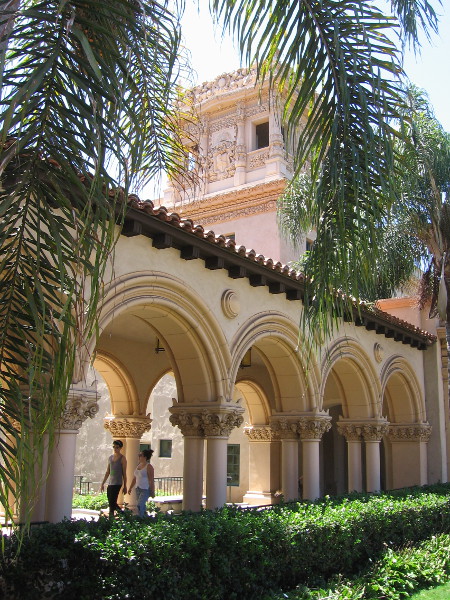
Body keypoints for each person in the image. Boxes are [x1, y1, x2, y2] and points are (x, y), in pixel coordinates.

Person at [100, 439, 127, 517]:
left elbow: (124, 473)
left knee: (112, 501)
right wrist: (103, 483)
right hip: (111, 482)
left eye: (117, 447)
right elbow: (108, 471)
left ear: (120, 448)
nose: (115, 449)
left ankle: (111, 518)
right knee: (111, 502)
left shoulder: (122, 458)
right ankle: (123, 514)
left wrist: (125, 486)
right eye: (114, 447)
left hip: (117, 483)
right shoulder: (110, 458)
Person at [128, 448, 155, 517]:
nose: (139, 457)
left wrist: (152, 491)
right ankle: (144, 517)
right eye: (139, 455)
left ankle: (141, 518)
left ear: (145, 457)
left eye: (140, 455)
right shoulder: (138, 466)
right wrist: (130, 488)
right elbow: (134, 478)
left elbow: (151, 480)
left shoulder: (149, 466)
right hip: (138, 488)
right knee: (142, 505)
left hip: (145, 489)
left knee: (140, 504)